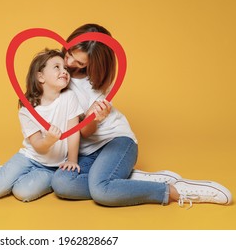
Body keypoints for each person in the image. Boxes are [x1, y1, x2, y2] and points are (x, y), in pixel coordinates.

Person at [51, 23, 232, 208]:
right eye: (69, 53)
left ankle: (174, 191)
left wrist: (93, 118)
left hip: (116, 142)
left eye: (80, 63)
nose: (69, 63)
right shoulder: (55, 69)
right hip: (86, 152)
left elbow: (86, 132)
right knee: (62, 184)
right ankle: (127, 179)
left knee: (101, 191)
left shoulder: (96, 84)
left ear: (93, 64)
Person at [0, 49, 83, 202]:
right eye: (57, 67)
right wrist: (49, 140)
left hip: (52, 168)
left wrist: (72, 160)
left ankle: (6, 173)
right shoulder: (27, 110)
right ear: (40, 76)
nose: (64, 71)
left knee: (22, 193)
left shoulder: (69, 97)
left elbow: (73, 132)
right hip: (29, 157)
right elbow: (38, 145)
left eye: (65, 68)